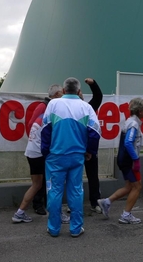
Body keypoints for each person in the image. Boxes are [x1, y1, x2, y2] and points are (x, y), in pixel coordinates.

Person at [41, 77, 101, 237]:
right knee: (75, 191)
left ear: (64, 90)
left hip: (55, 156)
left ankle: (53, 228)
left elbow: (45, 129)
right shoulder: (86, 107)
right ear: (79, 91)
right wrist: (90, 151)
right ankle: (75, 228)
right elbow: (95, 132)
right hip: (77, 156)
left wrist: (45, 152)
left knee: (54, 191)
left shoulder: (53, 104)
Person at [12, 84, 67, 223]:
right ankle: (58, 214)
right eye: (61, 94)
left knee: (37, 184)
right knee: (54, 184)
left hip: (32, 151)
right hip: (40, 153)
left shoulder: (43, 112)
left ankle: (20, 212)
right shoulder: (50, 114)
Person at [97, 97, 143, 224]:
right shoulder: (134, 123)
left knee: (129, 186)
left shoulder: (131, 121)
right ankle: (126, 215)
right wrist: (136, 160)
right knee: (137, 186)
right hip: (129, 161)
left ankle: (106, 202)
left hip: (124, 160)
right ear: (139, 111)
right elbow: (128, 142)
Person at [80, 78, 103, 213]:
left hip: (89, 149)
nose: (80, 96)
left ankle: (95, 202)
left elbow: (98, 96)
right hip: (75, 149)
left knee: (93, 176)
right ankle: (74, 203)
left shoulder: (88, 108)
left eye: (81, 95)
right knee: (74, 177)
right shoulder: (64, 110)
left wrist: (93, 83)